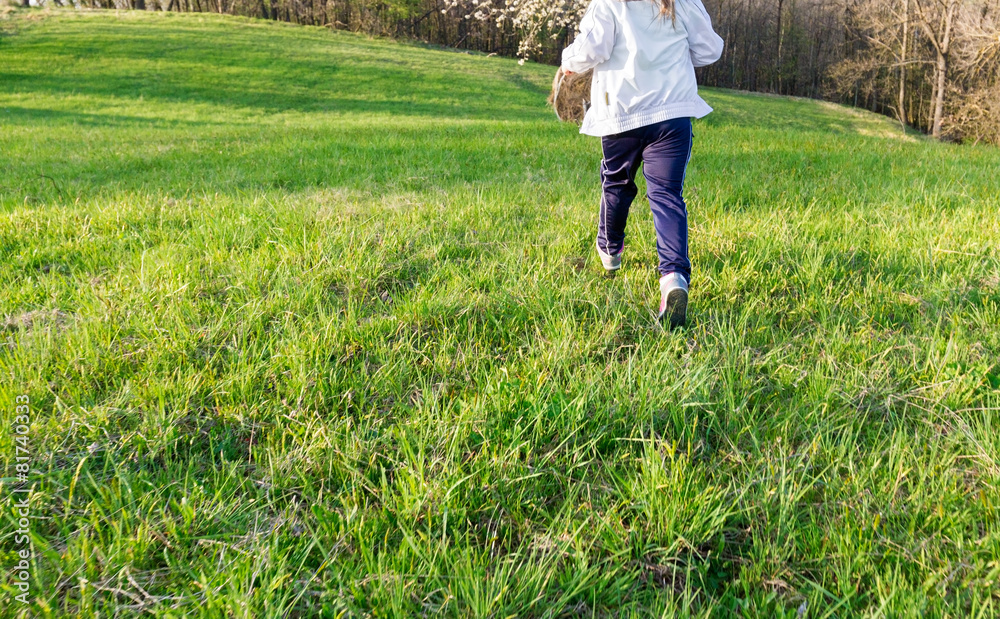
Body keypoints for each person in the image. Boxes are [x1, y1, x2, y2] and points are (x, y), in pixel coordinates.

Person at [559, 0, 723, 328]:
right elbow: (710, 49)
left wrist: (568, 62)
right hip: (672, 114)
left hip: (622, 115)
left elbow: (589, 49)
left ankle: (610, 250)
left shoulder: (610, 3)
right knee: (667, 195)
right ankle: (673, 278)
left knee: (617, 184)